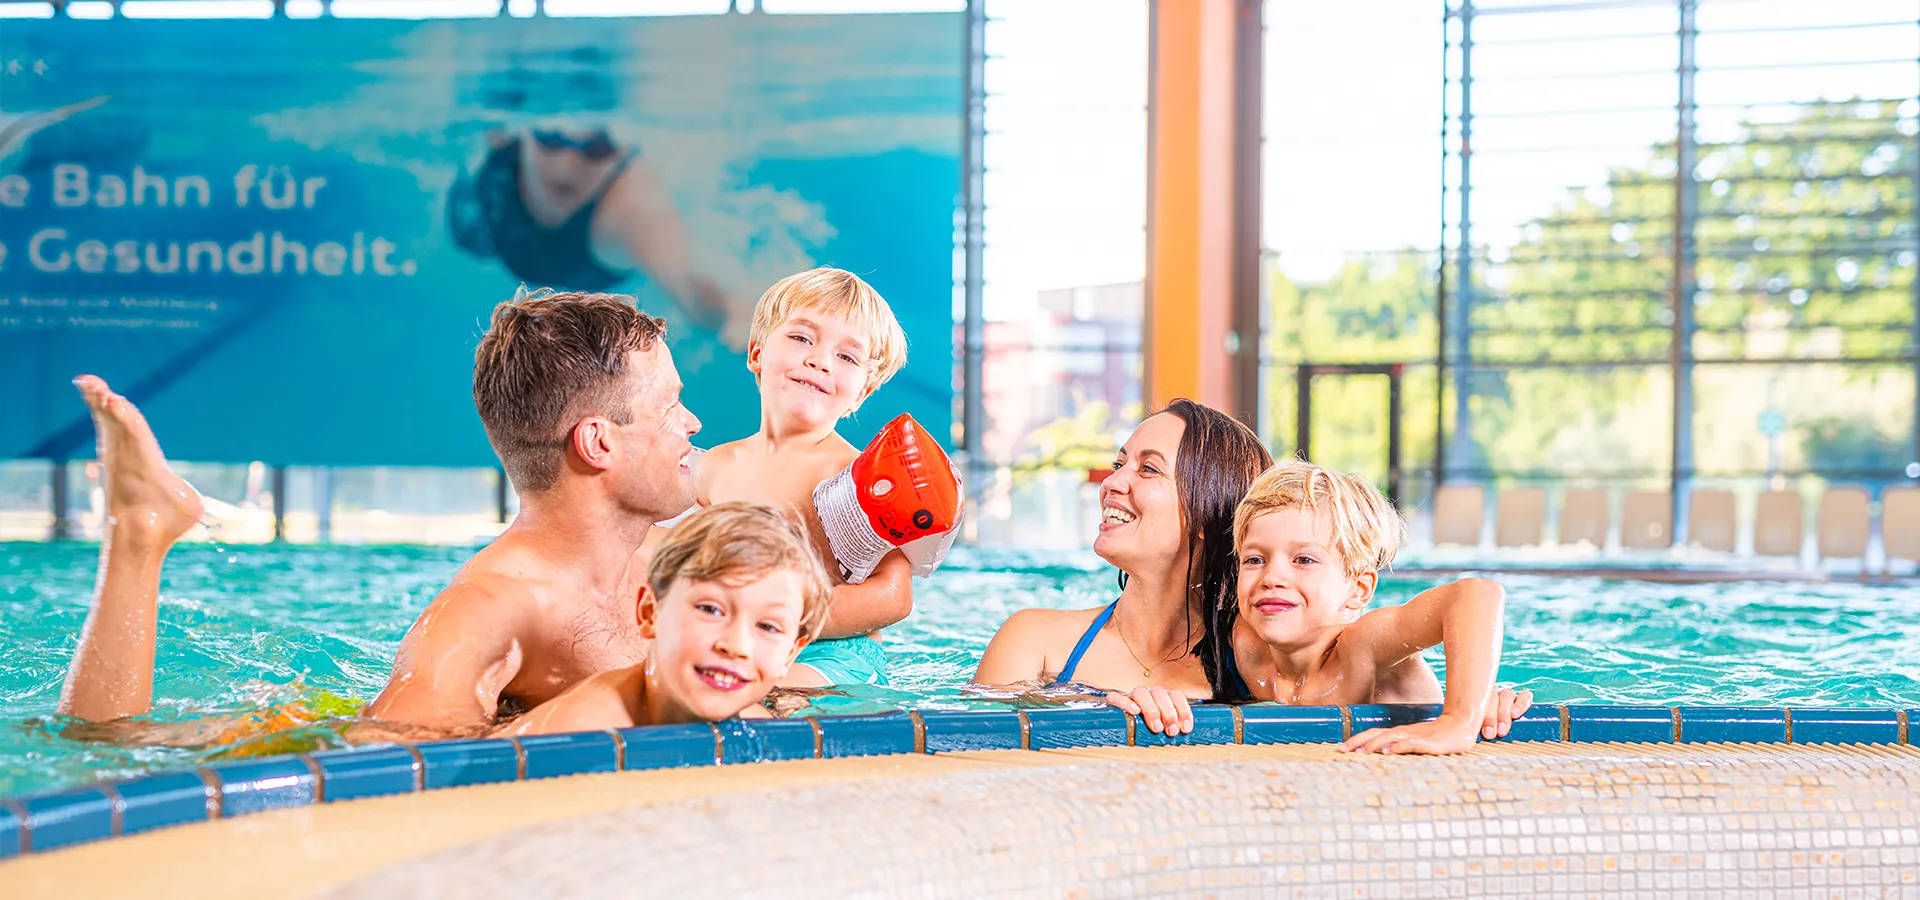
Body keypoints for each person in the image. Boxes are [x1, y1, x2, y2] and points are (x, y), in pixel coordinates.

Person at [57, 288, 703, 738]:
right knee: (115, 745)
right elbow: (383, 765)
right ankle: (139, 533)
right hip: (321, 734)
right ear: (599, 443)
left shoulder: (667, 566)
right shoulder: (489, 611)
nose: (692, 423)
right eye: (672, 407)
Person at [1110, 459, 1533, 755]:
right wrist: (1153, 697)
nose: (1272, 577)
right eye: (1255, 559)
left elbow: (1477, 593)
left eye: (1304, 560)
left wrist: (1462, 714)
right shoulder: (1243, 640)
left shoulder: (1361, 646)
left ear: (1358, 589)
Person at [668, 267, 919, 688]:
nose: (819, 360)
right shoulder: (711, 467)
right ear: (756, 354)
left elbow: (894, 597)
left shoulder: (859, 478)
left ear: (862, 392)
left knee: (754, 691)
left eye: (847, 357)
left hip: (833, 653)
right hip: (729, 641)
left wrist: (771, 624)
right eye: (801, 338)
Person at [973, 400, 1273, 698]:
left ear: (1209, 513)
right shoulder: (1033, 643)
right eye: (1119, 465)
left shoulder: (1255, 667)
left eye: (1148, 469)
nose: (1111, 482)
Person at [493, 502, 832, 736]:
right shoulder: (578, 727)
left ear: (790, 654)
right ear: (649, 613)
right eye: (711, 609)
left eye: (768, 627)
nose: (736, 646)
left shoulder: (760, 726)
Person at [447, 124, 755, 348]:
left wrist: (732, 310)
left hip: (584, 263)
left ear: (623, 150)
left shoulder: (631, 204)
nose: (566, 168)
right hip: (493, 232)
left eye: (598, 148)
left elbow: (688, 293)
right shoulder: (498, 143)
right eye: (550, 139)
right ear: (523, 129)